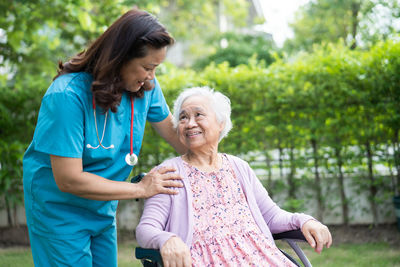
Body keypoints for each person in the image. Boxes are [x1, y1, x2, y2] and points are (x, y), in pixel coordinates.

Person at [23, 9, 186, 267]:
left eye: (156, 68)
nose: (151, 78)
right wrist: (140, 189)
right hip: (59, 210)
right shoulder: (67, 96)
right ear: (120, 57)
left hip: (102, 208)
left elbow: (178, 138)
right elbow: (68, 179)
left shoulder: (144, 88)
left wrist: (218, 160)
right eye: (147, 67)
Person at [136, 87, 332, 267]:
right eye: (183, 117)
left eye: (198, 115)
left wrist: (305, 221)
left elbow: (272, 216)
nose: (190, 123)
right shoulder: (168, 172)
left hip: (261, 258)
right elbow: (146, 229)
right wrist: (167, 239)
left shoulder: (239, 167)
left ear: (221, 123)